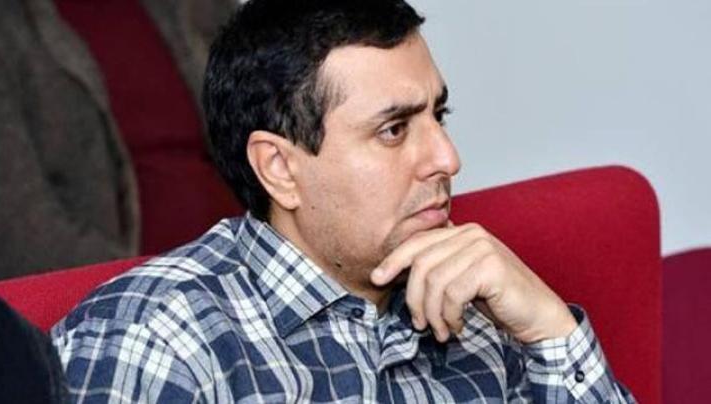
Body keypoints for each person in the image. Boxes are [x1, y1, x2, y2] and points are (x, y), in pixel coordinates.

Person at [52, 0, 636, 402]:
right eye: (393, 130)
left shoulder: (475, 304)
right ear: (279, 169)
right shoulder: (159, 340)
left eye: (439, 116)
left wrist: (550, 329)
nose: (447, 157)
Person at [0, 0, 238, 280]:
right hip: (129, 289)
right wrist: (151, 284)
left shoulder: (191, 9)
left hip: (248, 266)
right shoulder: (9, 27)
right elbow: (23, 236)